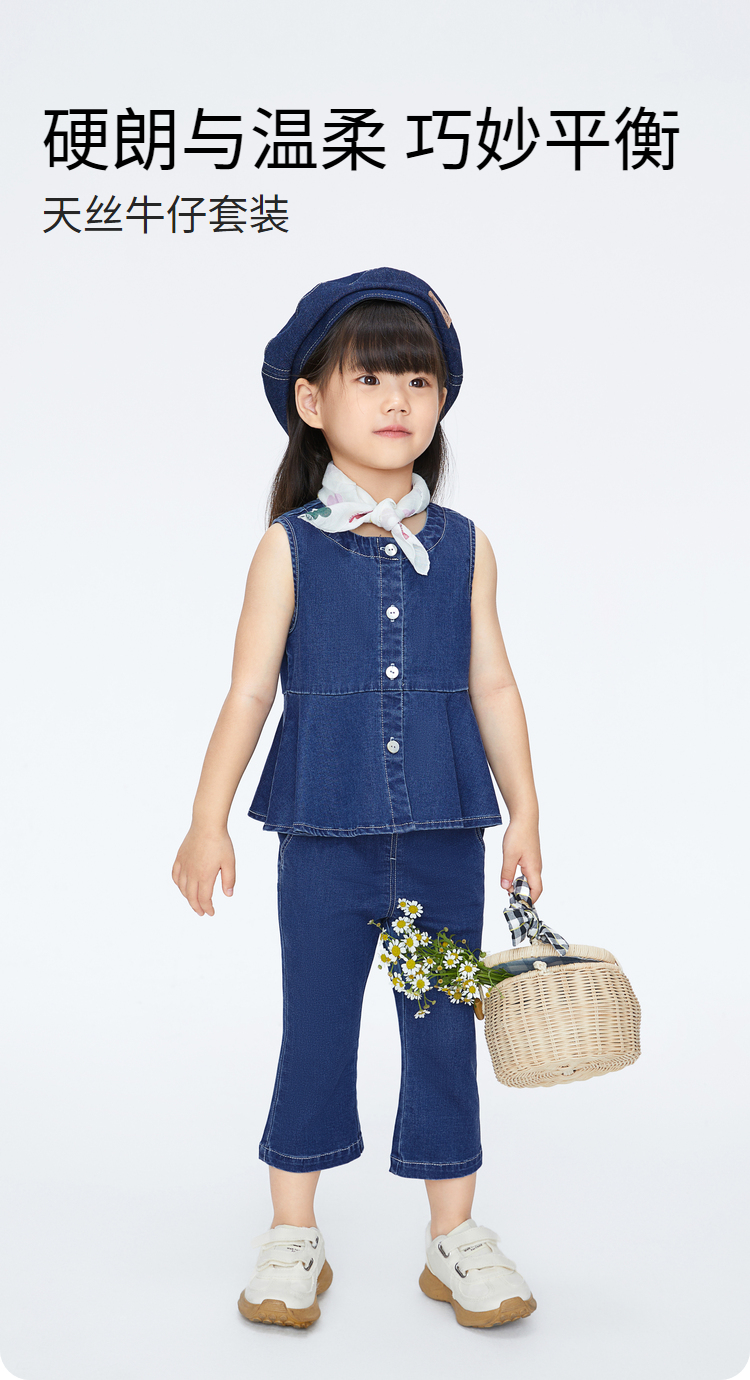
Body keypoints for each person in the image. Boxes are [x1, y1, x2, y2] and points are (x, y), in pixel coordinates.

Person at [171, 267, 543, 1331]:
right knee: (318, 1030)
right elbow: (248, 692)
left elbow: (494, 684)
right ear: (312, 400)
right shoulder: (288, 548)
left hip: (441, 840)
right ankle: (293, 1234)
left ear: (441, 402)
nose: (396, 401)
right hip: (324, 841)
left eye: (418, 380)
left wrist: (526, 810)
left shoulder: (465, 547)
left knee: (442, 1031)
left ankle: (454, 1238)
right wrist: (206, 819)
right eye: (369, 378)